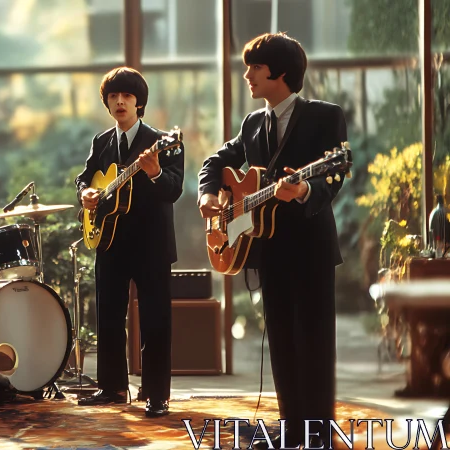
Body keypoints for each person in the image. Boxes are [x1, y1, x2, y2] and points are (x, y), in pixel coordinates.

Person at [197, 32, 347, 448]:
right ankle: (291, 431)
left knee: (315, 343)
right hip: (270, 251)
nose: (247, 75)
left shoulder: (325, 115)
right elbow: (214, 162)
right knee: (280, 341)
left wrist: (304, 191)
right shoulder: (251, 123)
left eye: (255, 67)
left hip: (312, 249)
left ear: (279, 72)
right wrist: (209, 195)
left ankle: (318, 434)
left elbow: (333, 178)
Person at [74, 67, 184, 418]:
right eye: (113, 96)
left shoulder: (164, 141)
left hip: (151, 244)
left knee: (155, 320)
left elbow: (174, 189)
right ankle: (112, 388)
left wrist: (153, 171)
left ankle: (156, 394)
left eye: (127, 96)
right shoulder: (101, 142)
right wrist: (86, 194)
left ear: (140, 104)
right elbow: (83, 179)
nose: (120, 101)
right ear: (107, 103)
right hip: (109, 241)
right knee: (108, 317)